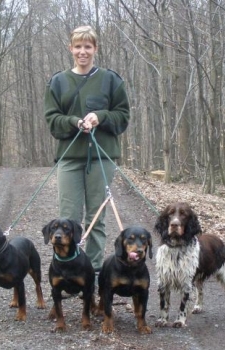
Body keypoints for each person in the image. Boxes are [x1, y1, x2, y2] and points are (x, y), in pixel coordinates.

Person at [44, 25, 130, 273]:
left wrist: (100, 117)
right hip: (69, 159)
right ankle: (67, 271)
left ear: (95, 49)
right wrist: (74, 121)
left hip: (102, 159)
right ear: (71, 49)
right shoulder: (58, 82)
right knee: (67, 219)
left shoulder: (111, 80)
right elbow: (52, 120)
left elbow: (122, 117)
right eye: (78, 46)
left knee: (96, 219)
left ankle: (92, 273)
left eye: (88, 47)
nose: (83, 52)